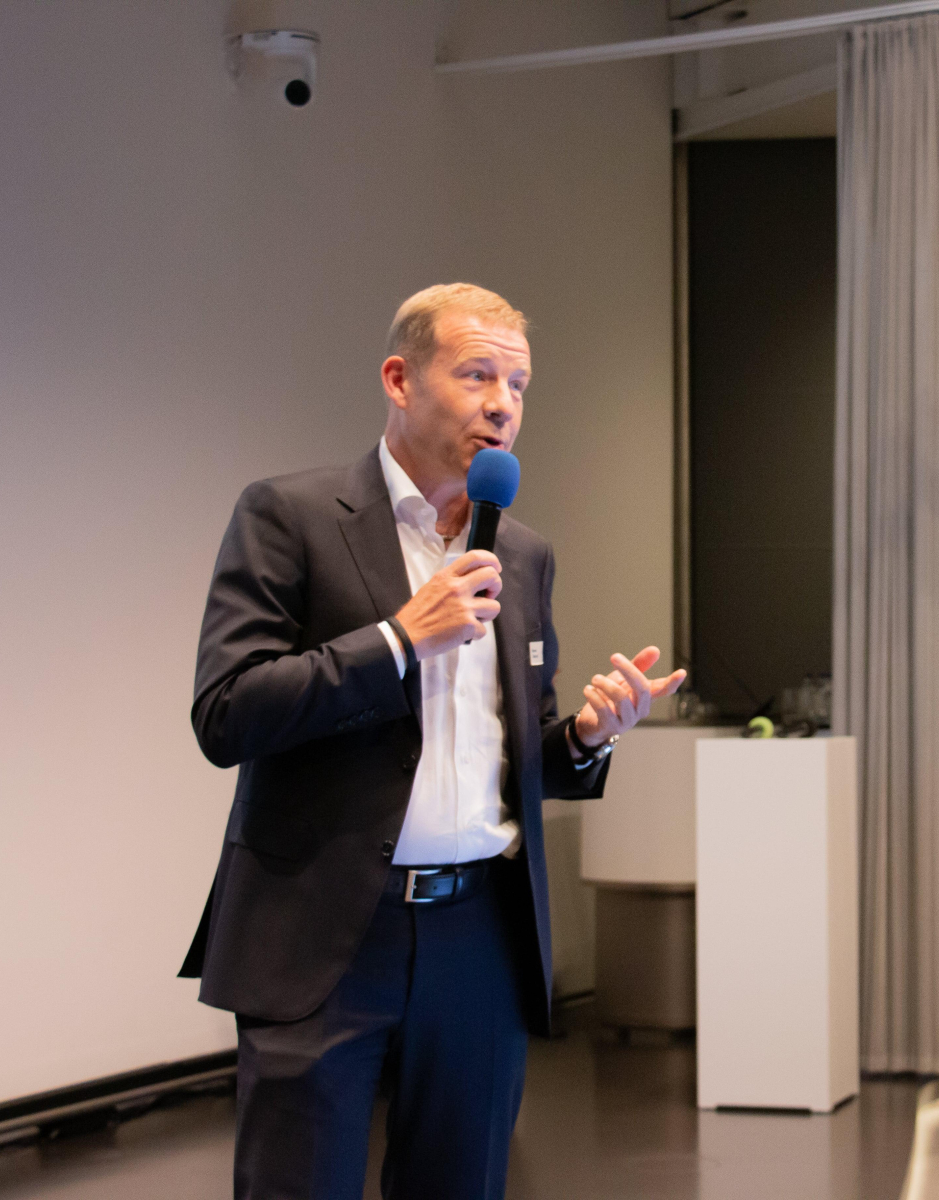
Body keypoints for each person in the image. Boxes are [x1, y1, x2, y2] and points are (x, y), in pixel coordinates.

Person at [178, 283, 685, 1200]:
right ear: (400, 380)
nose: (503, 404)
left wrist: (587, 736)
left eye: (519, 385)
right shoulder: (290, 516)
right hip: (327, 932)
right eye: (478, 375)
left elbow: (513, 749)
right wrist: (397, 640)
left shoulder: (522, 554)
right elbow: (228, 713)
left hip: (478, 938)